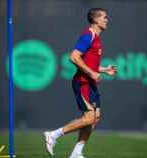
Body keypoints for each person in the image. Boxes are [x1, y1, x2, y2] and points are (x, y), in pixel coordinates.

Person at [43, 8, 116, 158]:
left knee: (95, 119)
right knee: (89, 118)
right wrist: (92, 73)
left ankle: (76, 153)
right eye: (104, 17)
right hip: (83, 82)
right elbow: (74, 57)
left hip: (90, 82)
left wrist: (103, 70)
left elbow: (89, 63)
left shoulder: (96, 38)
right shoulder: (87, 36)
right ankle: (53, 135)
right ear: (96, 20)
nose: (107, 19)